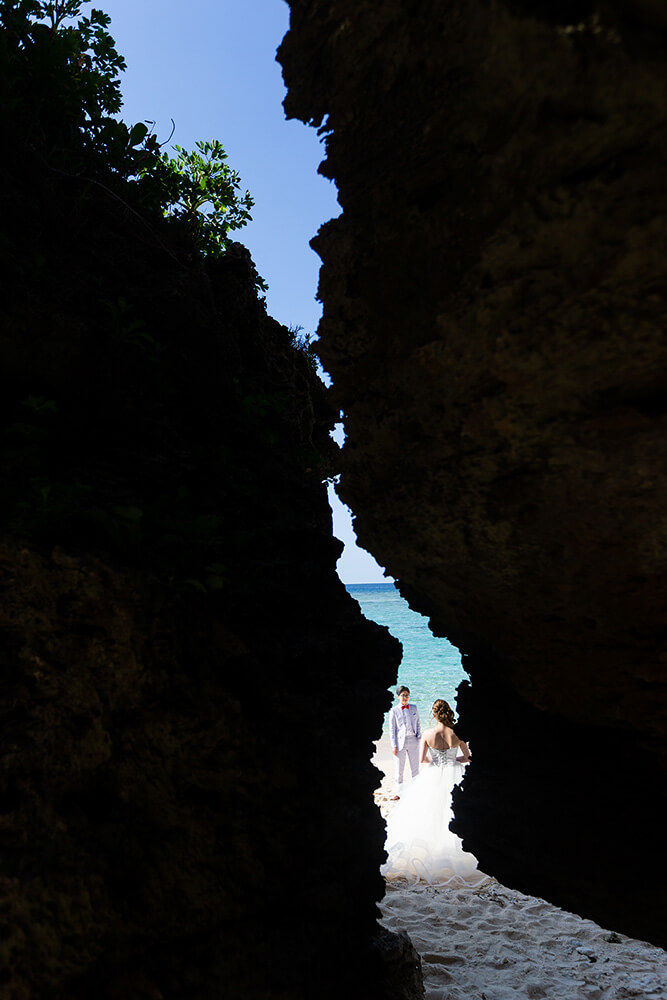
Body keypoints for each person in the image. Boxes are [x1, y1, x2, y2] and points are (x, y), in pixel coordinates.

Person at [381, 698, 488, 886]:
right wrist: (454, 761)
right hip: (455, 772)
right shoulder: (457, 733)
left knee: (430, 811)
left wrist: (437, 761)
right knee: (453, 811)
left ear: (434, 714)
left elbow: (422, 759)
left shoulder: (428, 734)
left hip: (434, 773)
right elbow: (468, 757)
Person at [389, 685, 422, 800]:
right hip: (400, 743)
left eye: (407, 695)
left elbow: (418, 723)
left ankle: (416, 790)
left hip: (413, 740)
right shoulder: (394, 710)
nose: (405, 697)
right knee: (399, 769)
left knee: (415, 768)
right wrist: (394, 746)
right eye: (403, 695)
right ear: (398, 696)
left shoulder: (414, 707)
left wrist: (419, 738)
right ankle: (398, 793)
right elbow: (392, 730)